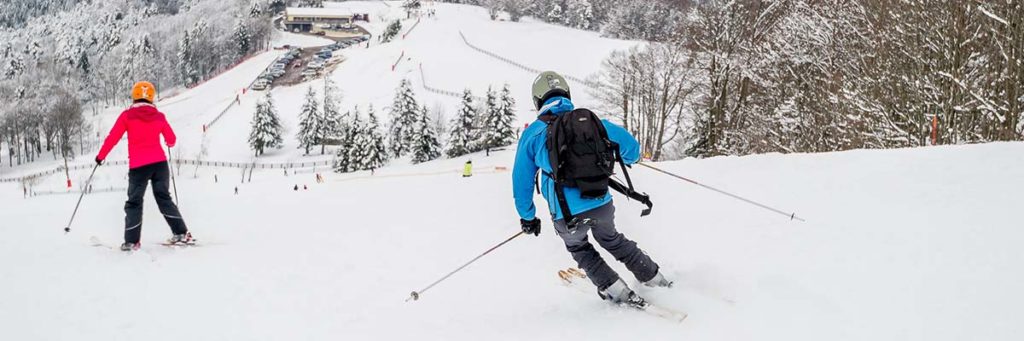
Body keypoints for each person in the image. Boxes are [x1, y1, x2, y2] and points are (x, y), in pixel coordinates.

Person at [512, 71, 671, 307]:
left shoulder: (533, 133)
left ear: (538, 101)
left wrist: (528, 217)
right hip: (601, 204)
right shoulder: (591, 123)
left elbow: (521, 180)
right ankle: (655, 279)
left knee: (578, 246)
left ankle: (617, 290)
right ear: (566, 93)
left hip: (566, 214)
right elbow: (633, 150)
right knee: (613, 240)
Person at [95, 81, 193, 251]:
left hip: (139, 167)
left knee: (134, 202)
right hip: (160, 165)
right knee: (164, 198)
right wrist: (165, 140)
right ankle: (181, 233)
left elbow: (113, 137)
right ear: (151, 97)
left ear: (134, 96)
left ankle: (132, 242)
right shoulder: (159, 116)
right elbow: (171, 140)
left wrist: (100, 157)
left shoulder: (127, 116)